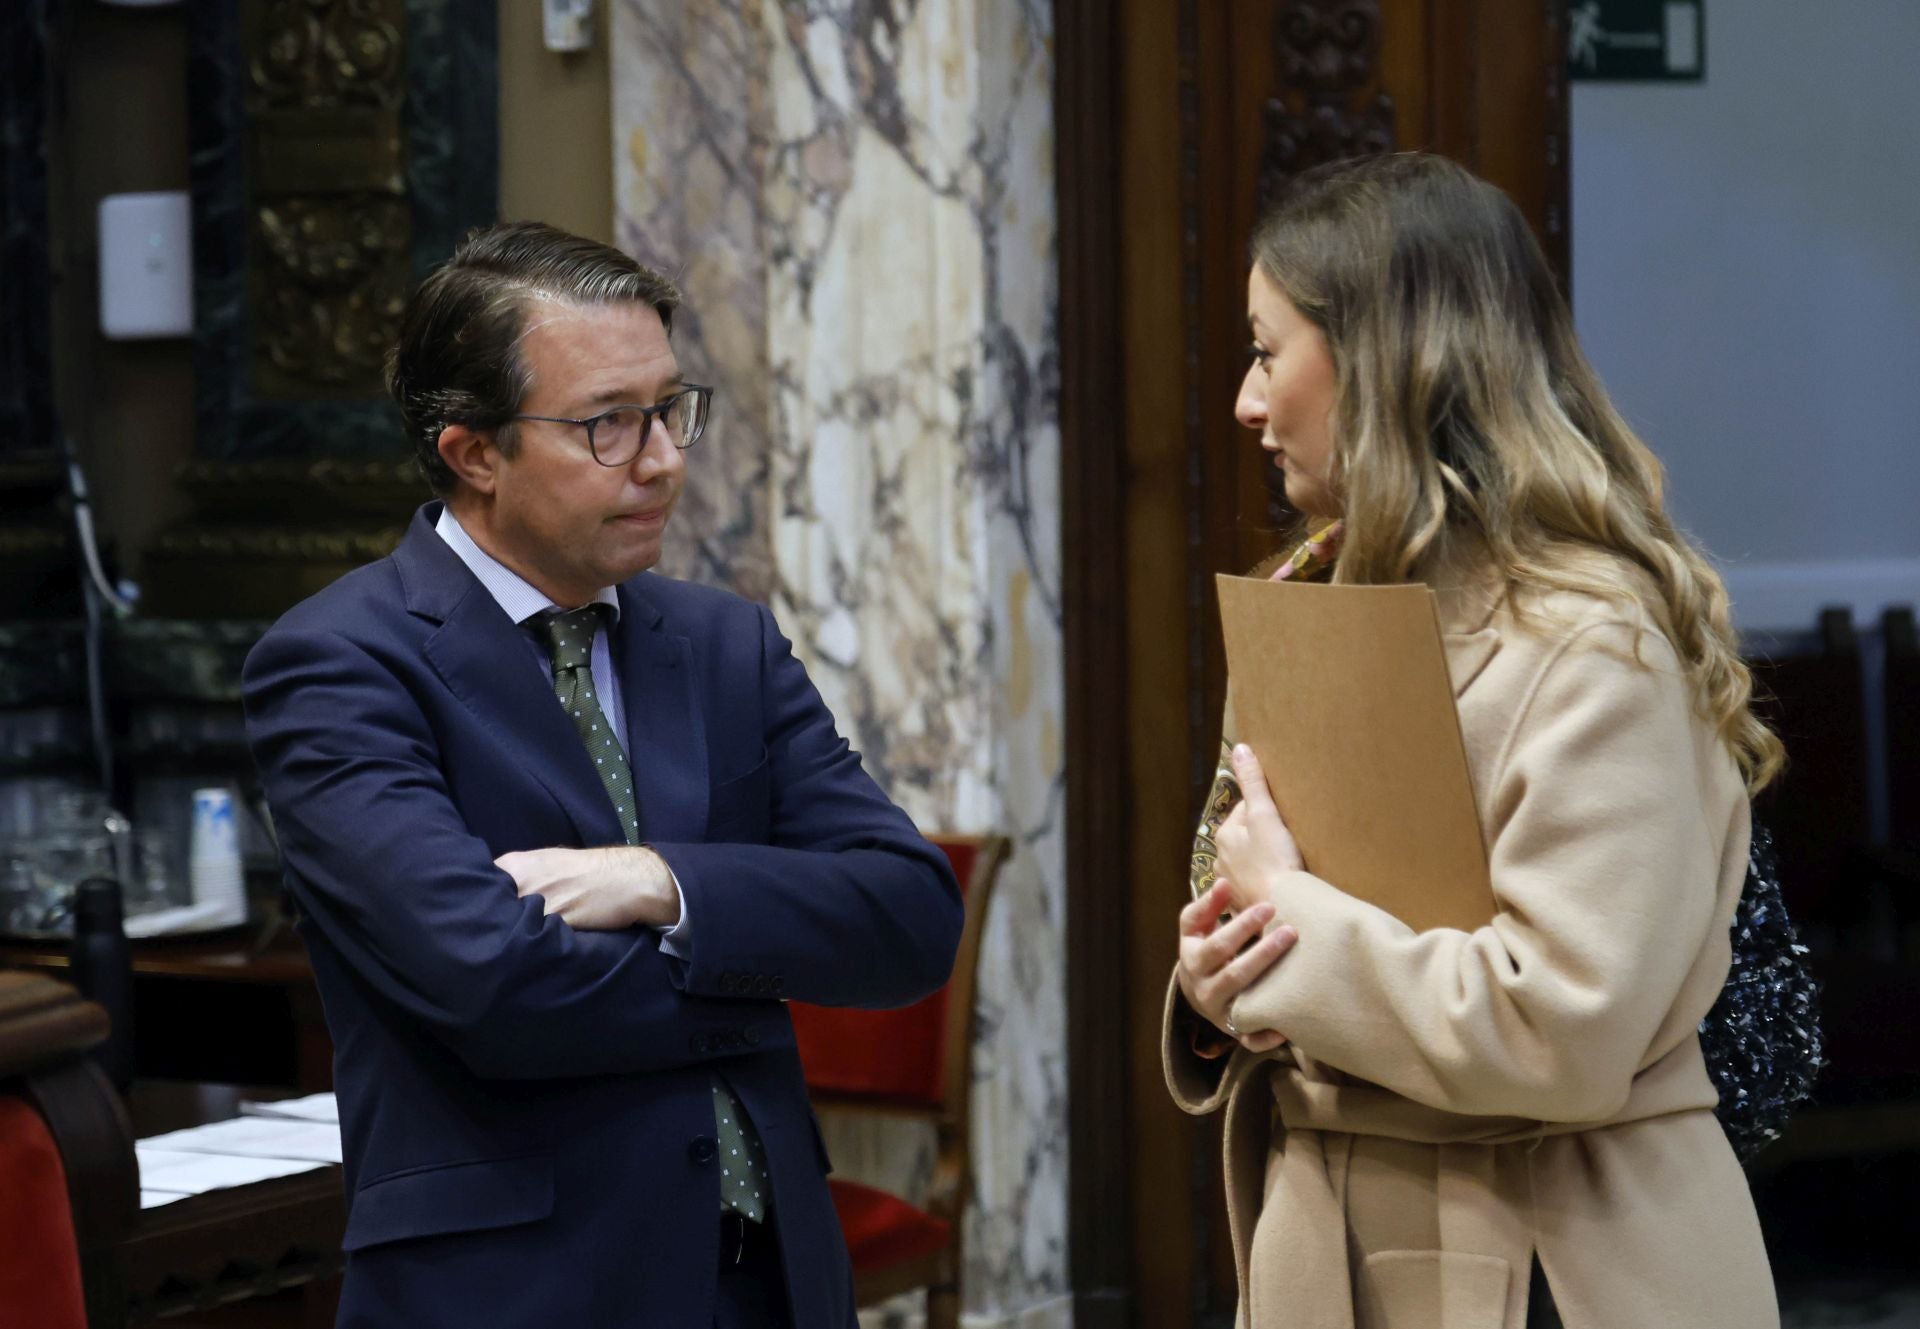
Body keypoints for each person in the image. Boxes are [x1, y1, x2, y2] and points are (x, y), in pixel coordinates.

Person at [243, 221, 962, 1329]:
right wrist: (758, 970)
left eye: (670, 410)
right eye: (608, 425)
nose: (665, 458)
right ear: (472, 451)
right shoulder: (340, 663)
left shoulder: (726, 645)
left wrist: (669, 888)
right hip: (522, 1288)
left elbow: (910, 915)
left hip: (768, 1280)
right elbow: (493, 984)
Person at [1166, 153, 1785, 1329]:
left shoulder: (1597, 645)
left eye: (1264, 350)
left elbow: (1562, 1031)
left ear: (1385, 361)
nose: (1246, 402)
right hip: (1329, 1242)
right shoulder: (1318, 596)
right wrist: (1217, 977)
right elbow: (1263, 895)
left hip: (1560, 1259)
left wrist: (1290, 927)